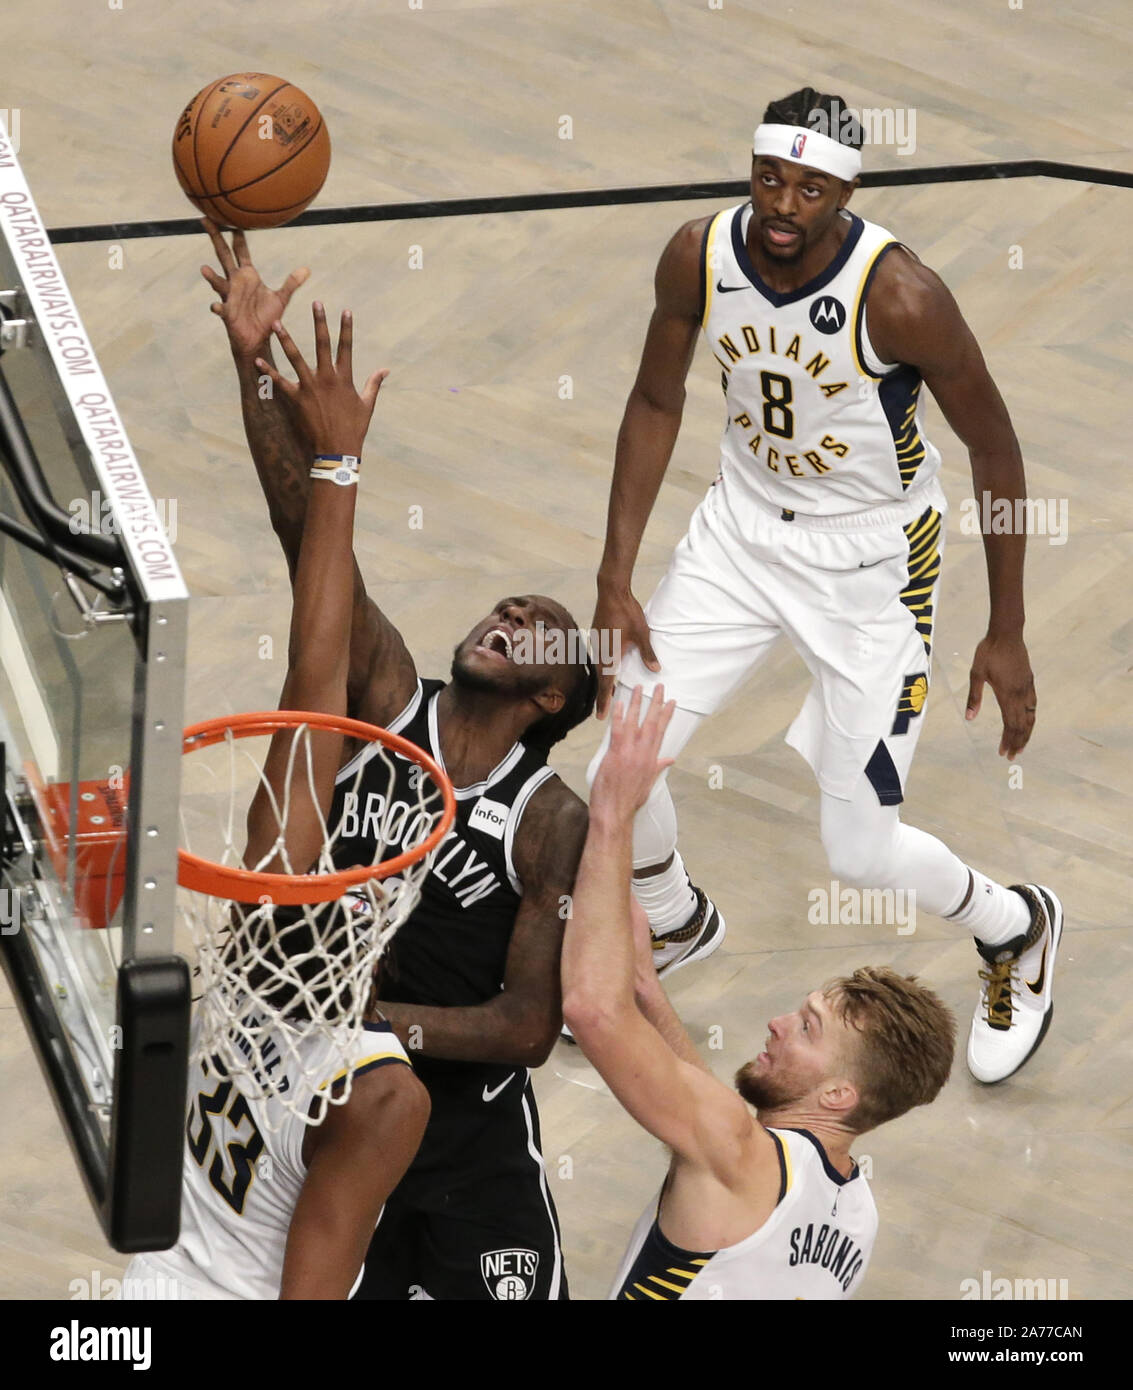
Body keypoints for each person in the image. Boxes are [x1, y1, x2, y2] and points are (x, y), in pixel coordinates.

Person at [588, 86, 1062, 1084]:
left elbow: (995, 447)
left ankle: (1012, 926)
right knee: (617, 766)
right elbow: (651, 396)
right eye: (769, 177)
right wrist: (615, 569)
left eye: (809, 187)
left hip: (869, 565)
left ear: (845, 193)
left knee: (857, 848)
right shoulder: (698, 253)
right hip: (737, 533)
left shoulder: (900, 298)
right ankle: (674, 917)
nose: (782, 204)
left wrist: (1005, 627)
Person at [200, 223, 593, 1300]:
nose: (513, 609)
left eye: (542, 622)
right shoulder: (388, 701)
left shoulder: (547, 814)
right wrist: (255, 368)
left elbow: (525, 1026)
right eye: (509, 600)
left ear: (552, 697)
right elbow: (309, 551)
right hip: (330, 1107)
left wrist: (376, 1021)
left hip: (462, 1144)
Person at [125, 304, 429, 1300]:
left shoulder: (244, 966)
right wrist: (332, 462)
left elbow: (315, 673)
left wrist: (333, 458)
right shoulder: (379, 1092)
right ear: (377, 929)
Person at [562, 685, 956, 1299]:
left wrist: (611, 814)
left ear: (837, 1093)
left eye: (806, 1028)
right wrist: (646, 988)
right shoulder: (856, 1216)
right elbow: (721, 1125)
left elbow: (590, 1012)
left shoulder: (735, 1154)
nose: (777, 1022)